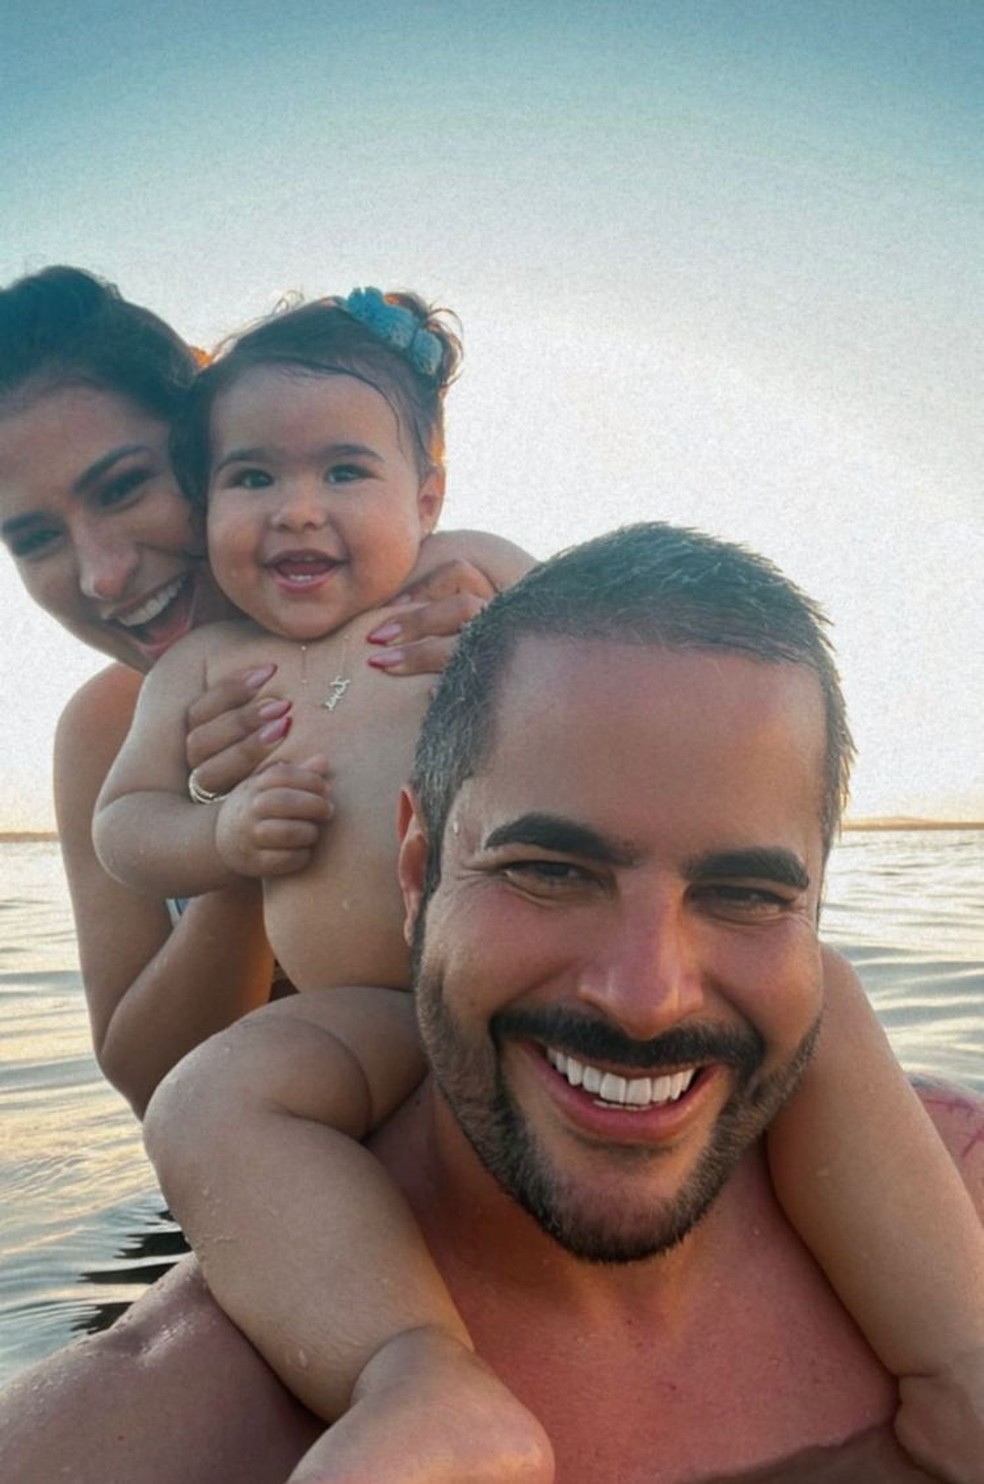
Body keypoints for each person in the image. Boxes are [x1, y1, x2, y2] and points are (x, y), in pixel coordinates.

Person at [4, 523, 980, 1484]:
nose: (646, 996)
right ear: (417, 865)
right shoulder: (136, 1432)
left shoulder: (953, 1190)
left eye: (748, 893)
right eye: (549, 868)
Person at [0, 266, 498, 1116]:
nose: (103, 574)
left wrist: (523, 657)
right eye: (35, 538)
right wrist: (229, 846)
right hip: (305, 1135)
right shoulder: (109, 731)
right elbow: (153, 1081)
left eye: (125, 487)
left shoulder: (440, 601)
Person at [92, 287, 533, 994]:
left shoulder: (469, 570)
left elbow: (629, 669)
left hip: (535, 978)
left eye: (345, 472)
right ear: (206, 506)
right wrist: (221, 838)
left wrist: (528, 661)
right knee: (219, 1094)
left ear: (424, 500)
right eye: (255, 477)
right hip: (351, 1017)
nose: (297, 511)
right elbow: (122, 826)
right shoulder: (201, 666)